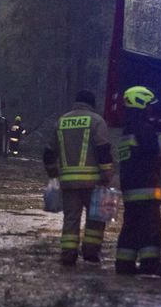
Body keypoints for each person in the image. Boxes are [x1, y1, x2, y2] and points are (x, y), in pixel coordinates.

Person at [43, 90, 115, 266]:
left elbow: (48, 153)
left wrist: (53, 174)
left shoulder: (61, 122)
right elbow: (103, 150)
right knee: (96, 219)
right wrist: (107, 174)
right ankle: (90, 253)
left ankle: (68, 254)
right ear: (92, 104)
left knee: (71, 219)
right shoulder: (97, 121)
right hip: (94, 183)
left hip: (68, 184)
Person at [115, 86, 161, 277]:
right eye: (149, 106)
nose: (151, 110)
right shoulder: (144, 129)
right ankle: (150, 265)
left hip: (130, 188)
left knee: (130, 227)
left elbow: (138, 156)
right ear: (140, 103)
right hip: (145, 188)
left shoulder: (128, 129)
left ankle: (124, 264)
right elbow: (153, 151)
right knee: (151, 228)